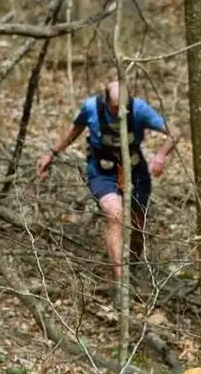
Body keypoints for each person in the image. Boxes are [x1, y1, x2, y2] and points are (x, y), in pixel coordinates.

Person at [37, 80, 178, 281]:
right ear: (105, 100)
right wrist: (52, 153)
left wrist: (162, 155)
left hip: (135, 172)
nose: (120, 112)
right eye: (114, 107)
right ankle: (122, 282)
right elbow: (74, 131)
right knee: (115, 216)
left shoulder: (139, 109)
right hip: (102, 172)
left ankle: (134, 265)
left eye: (123, 107)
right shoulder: (90, 108)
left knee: (137, 226)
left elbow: (175, 132)